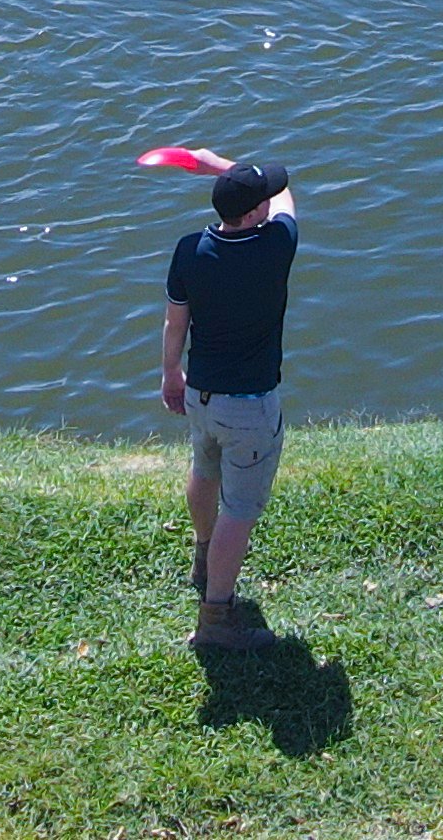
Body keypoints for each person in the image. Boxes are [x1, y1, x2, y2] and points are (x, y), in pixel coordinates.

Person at [159, 157, 298, 650]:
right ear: (256, 209)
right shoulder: (276, 245)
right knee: (239, 509)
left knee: (204, 470)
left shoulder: (190, 250)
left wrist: (171, 373)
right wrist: (216, 162)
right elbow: (286, 200)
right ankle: (216, 617)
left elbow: (176, 322)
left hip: (201, 393)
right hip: (251, 407)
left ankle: (203, 556)